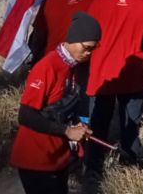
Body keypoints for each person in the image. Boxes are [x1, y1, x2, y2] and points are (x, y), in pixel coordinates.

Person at [84, 0, 143, 190]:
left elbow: (87, 39)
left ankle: (92, 173)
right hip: (132, 74)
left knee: (98, 126)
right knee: (131, 126)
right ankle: (131, 172)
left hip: (103, 75)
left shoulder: (98, 4)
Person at [10, 12, 100, 194]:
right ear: (74, 39)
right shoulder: (47, 67)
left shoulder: (73, 67)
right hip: (36, 160)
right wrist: (67, 131)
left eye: (93, 49)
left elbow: (63, 108)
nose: (88, 53)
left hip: (57, 158)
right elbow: (25, 115)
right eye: (86, 48)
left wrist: (77, 126)